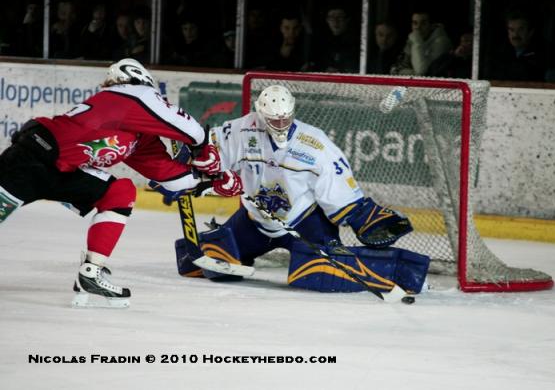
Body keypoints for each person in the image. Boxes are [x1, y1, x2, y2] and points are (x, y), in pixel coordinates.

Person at [0, 58, 242, 309]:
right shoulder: (129, 93)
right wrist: (204, 150)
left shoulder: (137, 135)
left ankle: (91, 273)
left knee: (120, 192)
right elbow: (191, 129)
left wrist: (213, 181)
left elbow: (170, 178)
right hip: (31, 160)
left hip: (63, 172)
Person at [173, 85, 429, 295]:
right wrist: (192, 165)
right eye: (275, 119)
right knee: (204, 264)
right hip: (253, 221)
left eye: (286, 118)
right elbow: (207, 153)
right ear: (261, 115)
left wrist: (363, 217)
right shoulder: (241, 130)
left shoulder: (315, 144)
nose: (281, 124)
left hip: (304, 223)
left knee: (314, 273)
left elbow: (340, 192)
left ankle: (399, 268)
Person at [488, 10, 546, 81]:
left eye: (521, 30)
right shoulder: (499, 54)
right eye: (512, 30)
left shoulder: (542, 55)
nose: (515, 35)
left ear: (530, 32)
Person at [391, 11, 452, 76]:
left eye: (423, 23)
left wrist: (417, 41)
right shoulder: (413, 39)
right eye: (415, 23)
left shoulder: (442, 42)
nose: (418, 27)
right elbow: (396, 69)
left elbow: (421, 72)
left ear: (432, 26)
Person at [315, 7, 359, 73]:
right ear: (327, 20)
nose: (335, 21)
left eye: (340, 17)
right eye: (332, 17)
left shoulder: (357, 44)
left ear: (347, 20)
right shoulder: (320, 43)